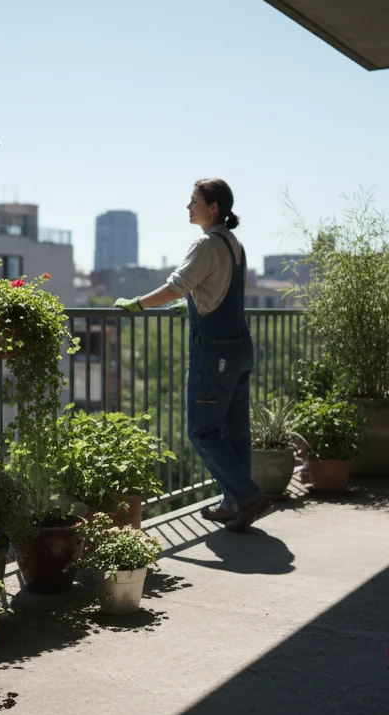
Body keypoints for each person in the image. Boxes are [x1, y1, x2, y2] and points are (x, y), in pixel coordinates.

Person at [114, 178, 270, 533]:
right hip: (240, 348)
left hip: (214, 352)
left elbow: (175, 286)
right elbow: (224, 290)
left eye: (193, 201)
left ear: (213, 208)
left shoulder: (205, 243)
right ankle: (233, 505)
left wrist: (137, 304)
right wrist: (196, 305)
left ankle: (248, 497)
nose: (188, 207)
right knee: (235, 432)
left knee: (201, 431)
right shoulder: (235, 245)